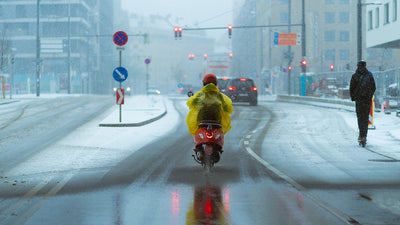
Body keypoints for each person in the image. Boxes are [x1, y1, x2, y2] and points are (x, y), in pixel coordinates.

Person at [350, 60, 376, 146]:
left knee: (360, 118)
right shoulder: (369, 75)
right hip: (367, 100)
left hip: (359, 100)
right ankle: (364, 136)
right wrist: (369, 96)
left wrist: (354, 97)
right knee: (365, 118)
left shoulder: (355, 76)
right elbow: (373, 87)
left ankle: (361, 135)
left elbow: (351, 88)